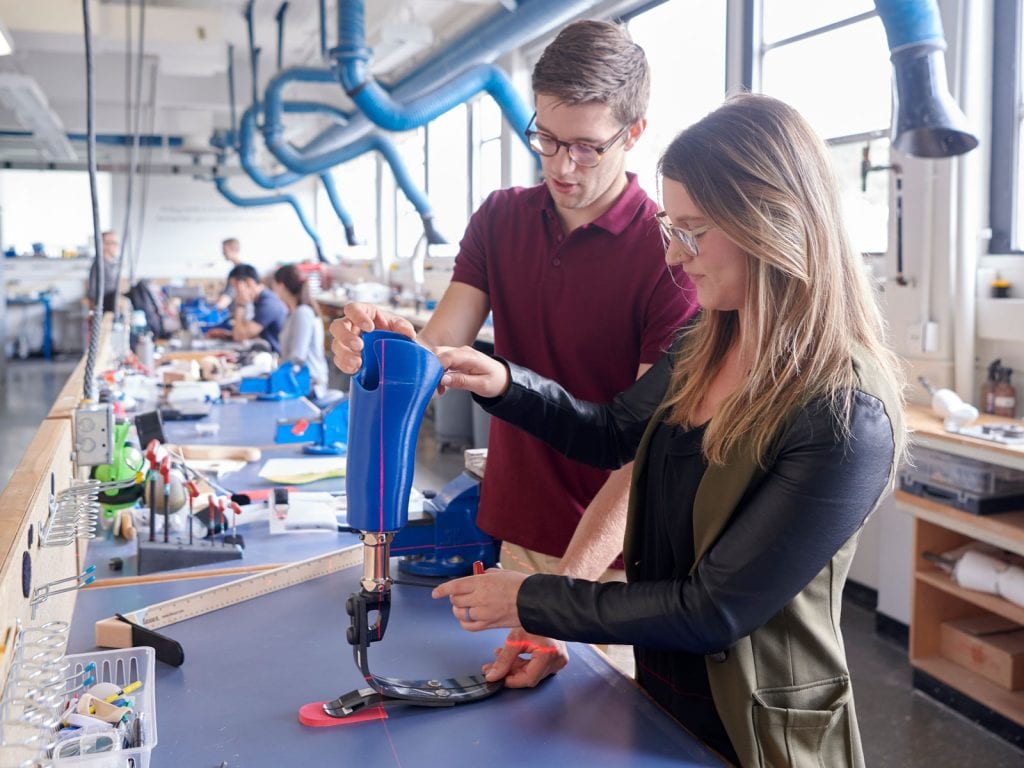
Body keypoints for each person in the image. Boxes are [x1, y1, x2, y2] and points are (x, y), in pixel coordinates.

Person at [431, 94, 906, 767]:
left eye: (694, 231)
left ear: (773, 222)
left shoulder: (845, 412)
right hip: (661, 705)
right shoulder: (706, 340)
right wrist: (505, 383)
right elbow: (611, 432)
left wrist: (535, 599)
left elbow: (715, 609)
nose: (676, 258)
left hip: (759, 734)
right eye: (668, 228)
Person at [330, 20, 697, 684]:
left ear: (634, 133)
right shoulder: (500, 218)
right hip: (520, 539)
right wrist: (372, 345)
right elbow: (437, 353)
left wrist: (562, 599)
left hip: (617, 562)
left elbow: (642, 453)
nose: (562, 166)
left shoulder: (669, 253)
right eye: (548, 139)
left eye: (586, 148)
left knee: (610, 738)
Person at [271, 264, 329, 399]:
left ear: (281, 286)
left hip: (309, 385)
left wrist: (275, 367)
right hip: (298, 379)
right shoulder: (295, 313)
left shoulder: (303, 313)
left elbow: (298, 356)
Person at [208, 263, 288, 354]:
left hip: (277, 359)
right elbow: (254, 332)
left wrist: (240, 304)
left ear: (249, 282)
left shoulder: (268, 304)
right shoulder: (261, 299)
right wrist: (228, 335)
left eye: (236, 288)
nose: (236, 293)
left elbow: (240, 336)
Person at [85, 230, 120, 313]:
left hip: (112, 305)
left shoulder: (112, 264)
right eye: (113, 243)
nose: (117, 246)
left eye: (117, 243)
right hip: (103, 308)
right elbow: (92, 293)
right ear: (103, 245)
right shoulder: (99, 265)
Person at [213, 238, 243, 312]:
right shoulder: (238, 269)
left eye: (225, 250)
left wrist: (218, 306)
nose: (223, 253)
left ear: (233, 249)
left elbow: (229, 294)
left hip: (239, 313)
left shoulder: (239, 270)